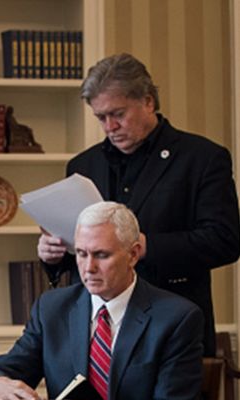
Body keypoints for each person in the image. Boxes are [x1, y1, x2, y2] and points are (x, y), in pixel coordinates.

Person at [37, 53, 240, 357]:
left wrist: (147, 245)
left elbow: (225, 240)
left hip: (173, 326)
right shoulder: (83, 165)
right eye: (101, 117)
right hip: (97, 329)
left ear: (148, 102)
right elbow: (81, 254)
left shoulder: (202, 158)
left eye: (117, 113)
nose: (110, 126)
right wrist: (52, 255)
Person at [0, 201, 203, 400]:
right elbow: (5, 368)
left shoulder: (177, 316)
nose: (88, 267)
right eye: (82, 254)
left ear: (133, 254)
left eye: (101, 255)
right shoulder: (52, 308)